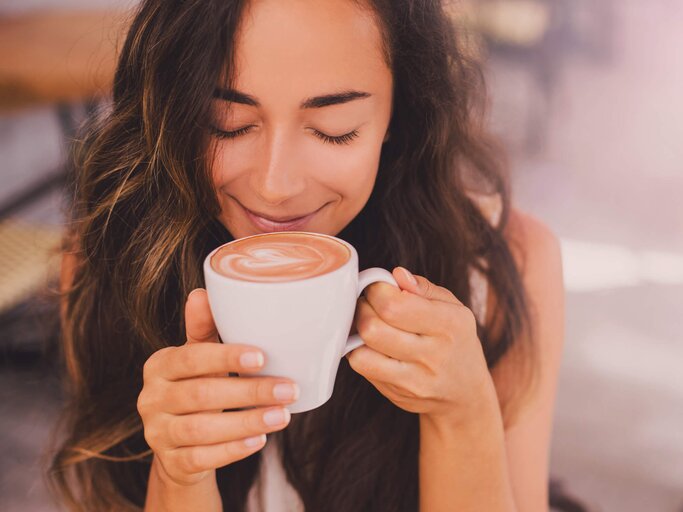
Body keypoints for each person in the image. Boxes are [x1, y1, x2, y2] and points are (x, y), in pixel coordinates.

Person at [48, 0, 565, 511]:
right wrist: (180, 473)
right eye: (225, 123)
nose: (276, 186)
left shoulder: (505, 267)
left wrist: (463, 415)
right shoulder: (109, 261)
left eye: (333, 128)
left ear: (397, 114)